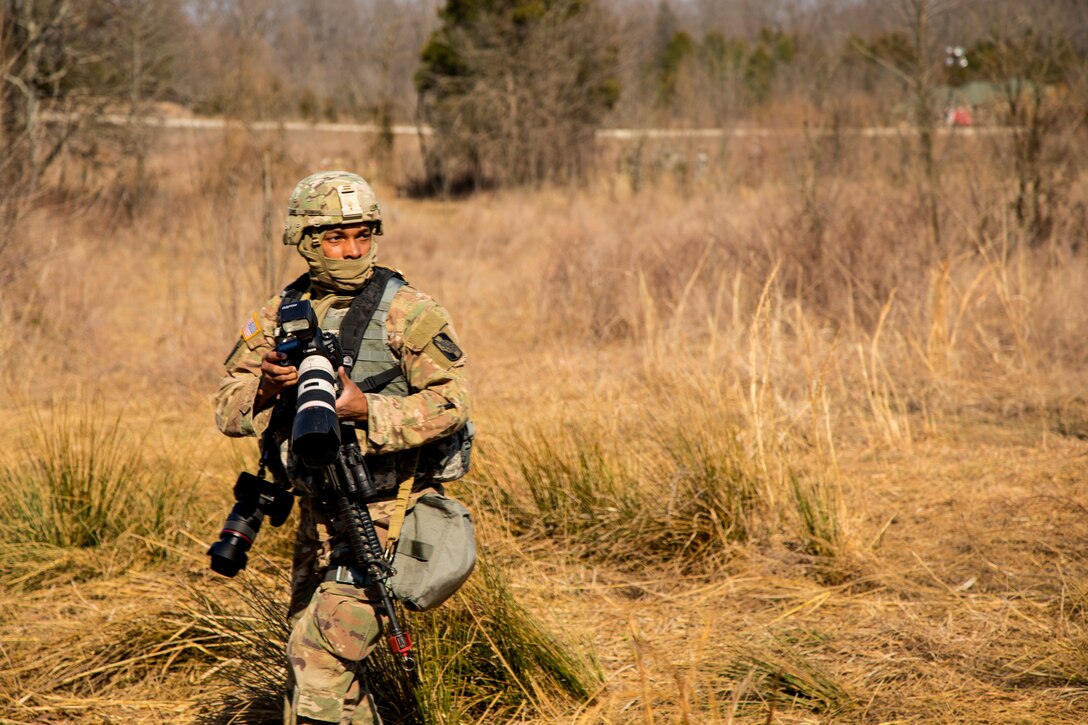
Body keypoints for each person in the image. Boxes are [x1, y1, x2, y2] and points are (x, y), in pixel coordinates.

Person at [214, 171, 471, 724]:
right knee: (310, 669)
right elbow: (225, 407)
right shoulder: (280, 313)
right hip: (316, 515)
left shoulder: (408, 311)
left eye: (363, 235)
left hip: (387, 513)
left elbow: (453, 403)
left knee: (319, 660)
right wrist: (266, 386)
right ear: (306, 242)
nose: (353, 250)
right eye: (336, 238)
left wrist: (367, 411)